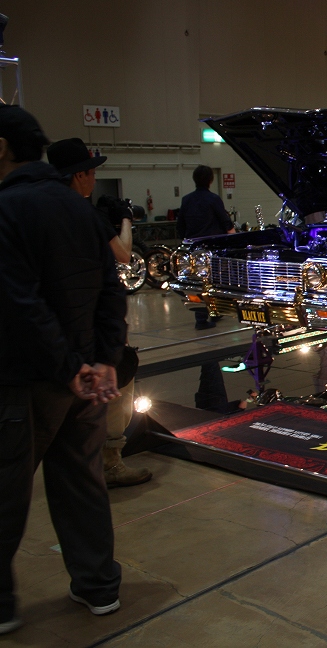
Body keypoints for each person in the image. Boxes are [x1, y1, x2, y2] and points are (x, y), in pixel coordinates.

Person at [0, 106, 127, 635]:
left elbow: (19, 303)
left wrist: (68, 365)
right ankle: (98, 586)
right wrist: (103, 361)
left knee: (6, 490)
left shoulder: (7, 208)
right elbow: (111, 291)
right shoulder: (79, 210)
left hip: (27, 379)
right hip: (85, 380)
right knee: (81, 482)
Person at [47, 139, 152, 488]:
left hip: (56, 326)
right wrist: (125, 219)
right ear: (80, 175)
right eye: (91, 172)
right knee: (114, 388)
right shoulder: (84, 214)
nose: (94, 179)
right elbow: (123, 254)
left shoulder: (40, 210)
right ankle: (110, 462)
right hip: (92, 323)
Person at [176, 165, 234, 329]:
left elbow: (180, 225)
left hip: (194, 247)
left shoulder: (186, 200)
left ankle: (201, 317)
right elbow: (225, 221)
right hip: (212, 246)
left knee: (198, 281)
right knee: (216, 280)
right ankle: (215, 311)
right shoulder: (214, 199)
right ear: (211, 180)